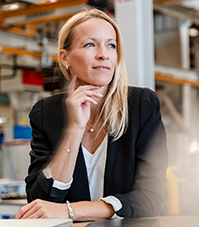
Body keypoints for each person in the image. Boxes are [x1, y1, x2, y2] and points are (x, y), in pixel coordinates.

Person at [15, 8, 168, 221]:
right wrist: (74, 129)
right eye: (90, 44)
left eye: (111, 45)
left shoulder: (141, 105)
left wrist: (71, 211)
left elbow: (150, 197)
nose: (103, 54)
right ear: (65, 57)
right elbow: (40, 200)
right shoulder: (45, 113)